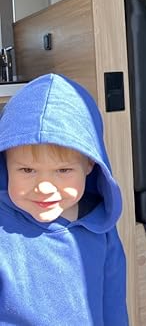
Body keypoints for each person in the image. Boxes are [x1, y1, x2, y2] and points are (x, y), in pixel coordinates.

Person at [0, 73, 129, 325]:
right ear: (5, 164)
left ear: (90, 164)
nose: (44, 187)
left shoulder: (101, 228)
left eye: (63, 170)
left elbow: (114, 307)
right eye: (27, 170)